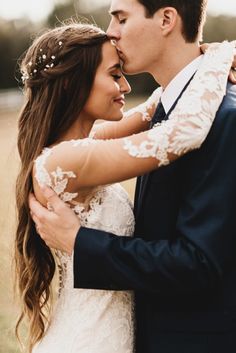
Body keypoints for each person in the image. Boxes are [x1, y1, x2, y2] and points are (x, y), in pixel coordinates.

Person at [25, 5, 235, 353]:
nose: (112, 31)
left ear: (167, 19)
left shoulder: (92, 141)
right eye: (113, 74)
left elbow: (154, 106)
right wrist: (219, 56)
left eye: (121, 18)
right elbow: (182, 131)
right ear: (75, 85)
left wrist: (209, 61)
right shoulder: (64, 160)